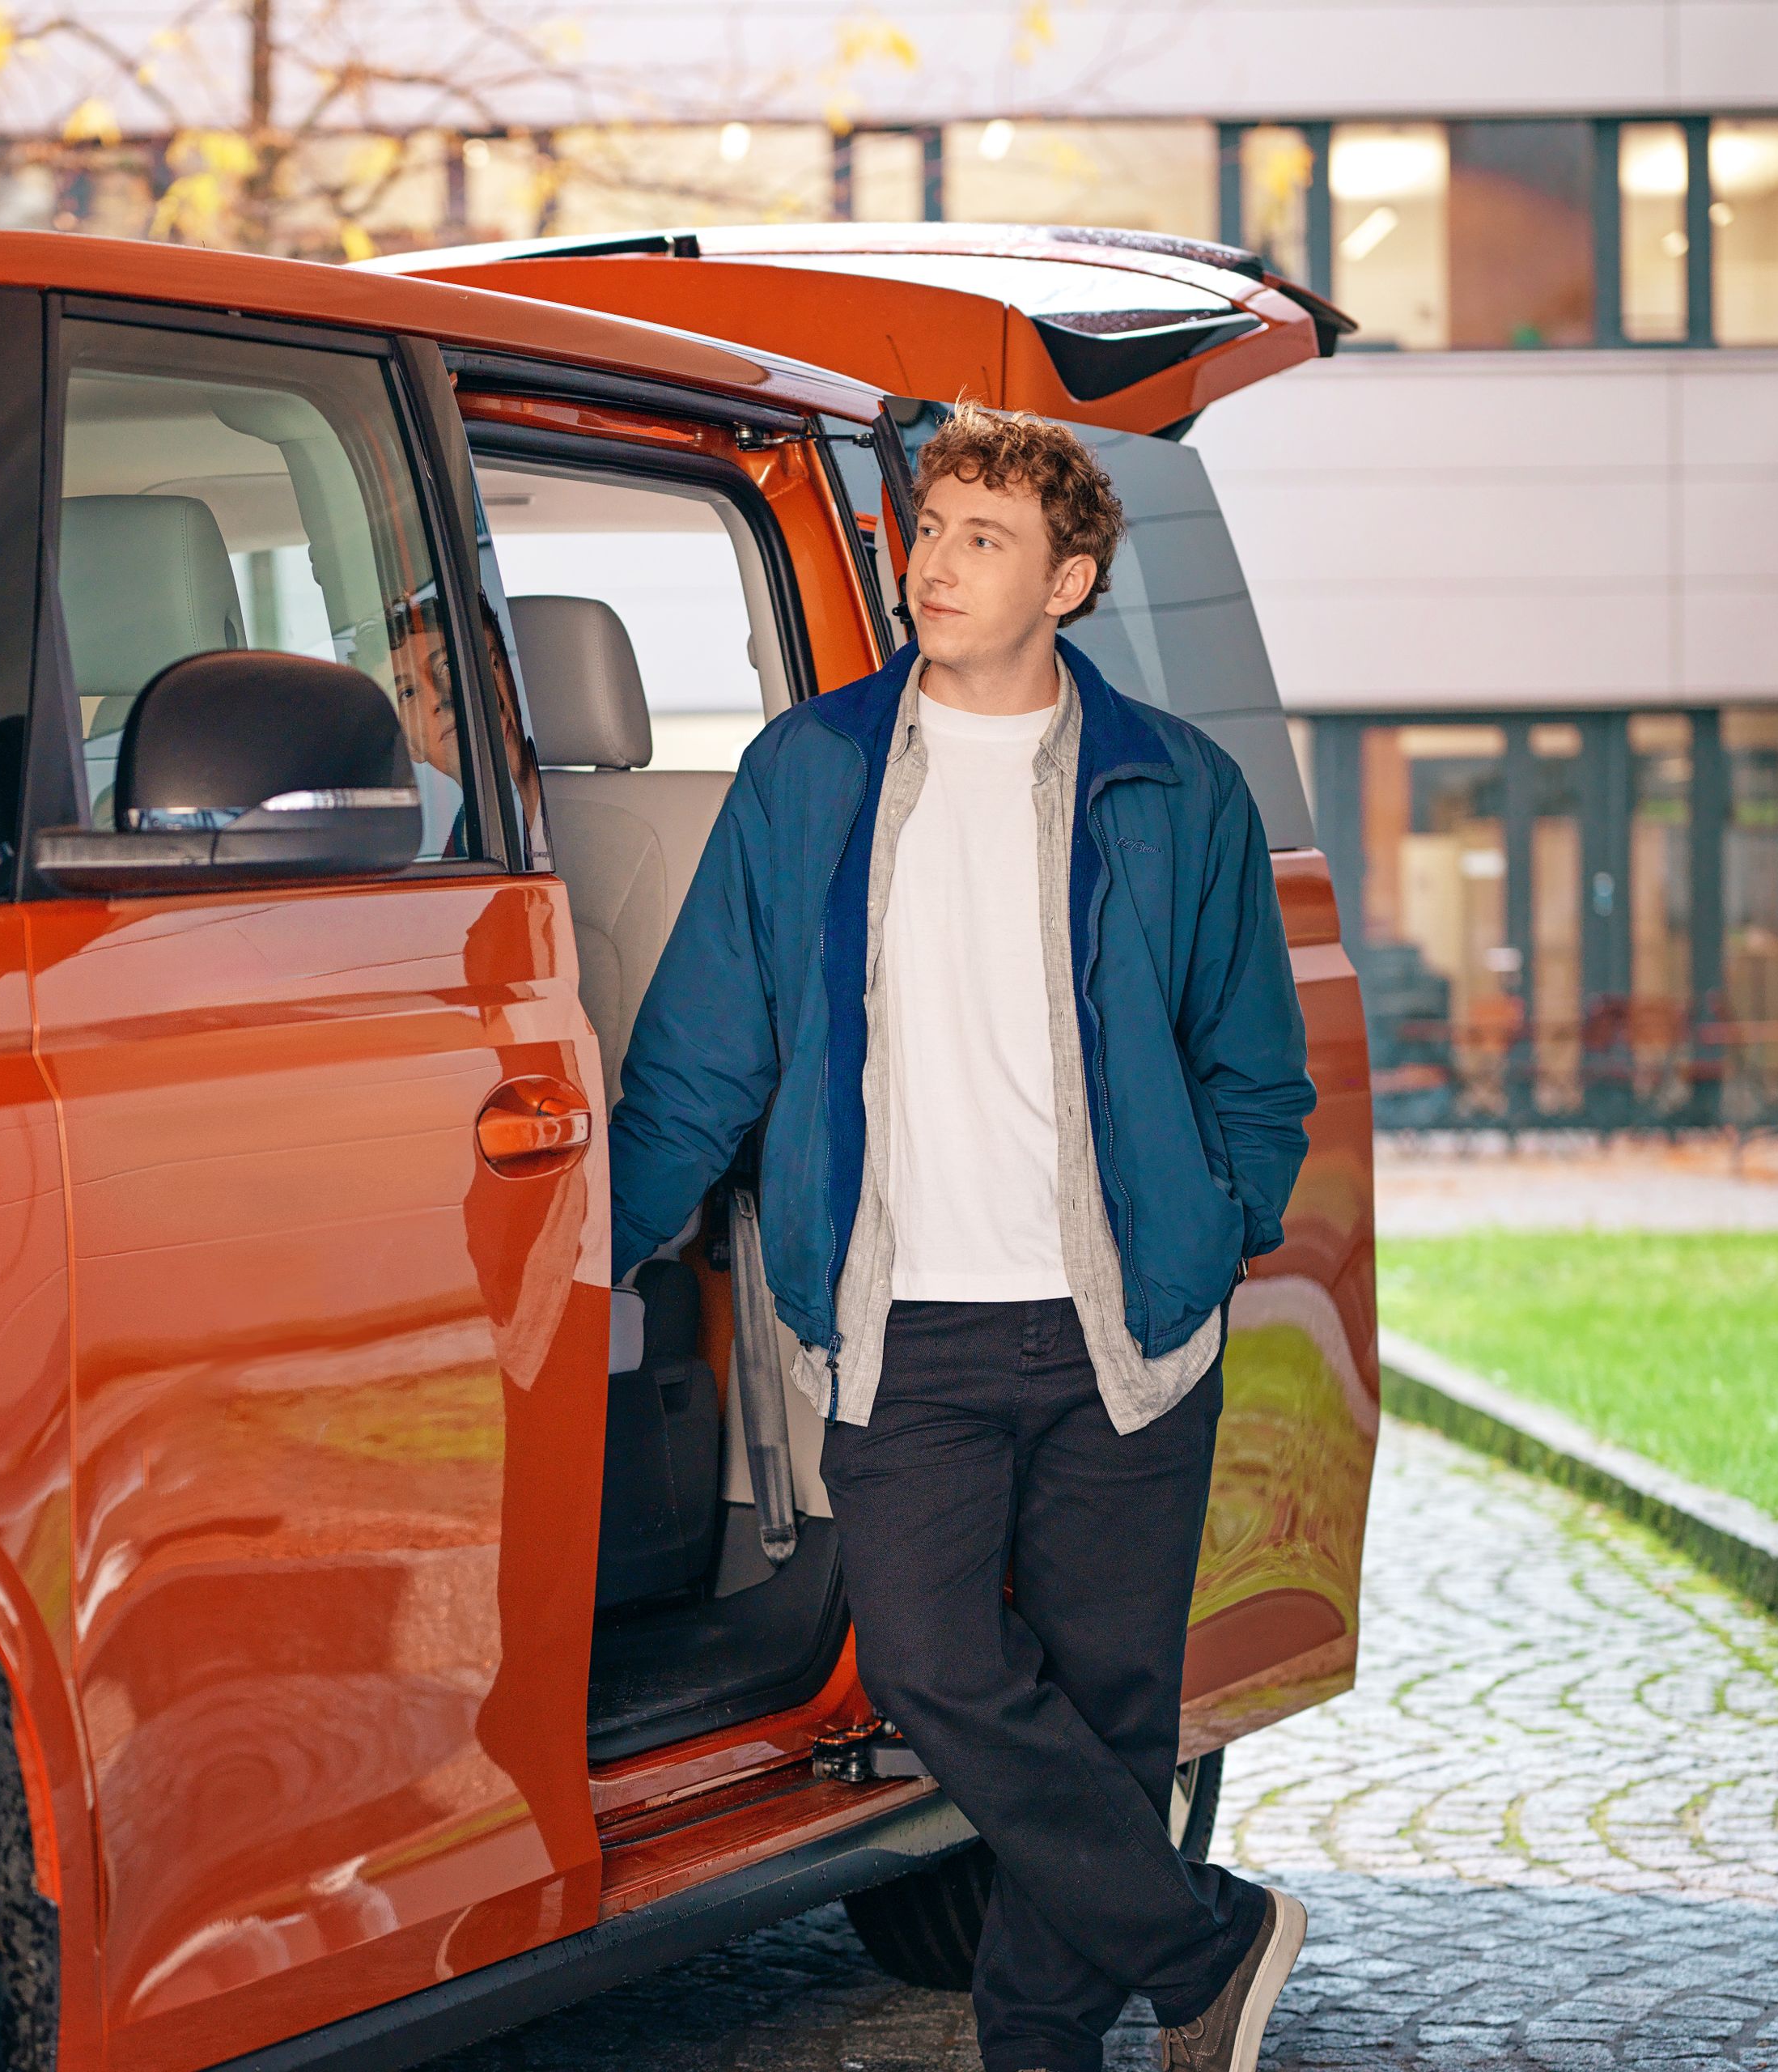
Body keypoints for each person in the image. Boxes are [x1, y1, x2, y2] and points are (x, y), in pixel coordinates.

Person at [605, 403, 1318, 2072]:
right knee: (929, 1665)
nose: (932, 561)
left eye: (982, 537)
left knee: (1113, 1710)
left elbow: (1254, 1067)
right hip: (901, 1318)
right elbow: (710, 1043)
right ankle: (1208, 1937)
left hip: (1117, 1325)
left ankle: (1043, 2046)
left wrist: (1213, 1233)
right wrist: (593, 1244)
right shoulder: (814, 770)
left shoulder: (1174, 785)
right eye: (928, 529)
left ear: (1068, 578)